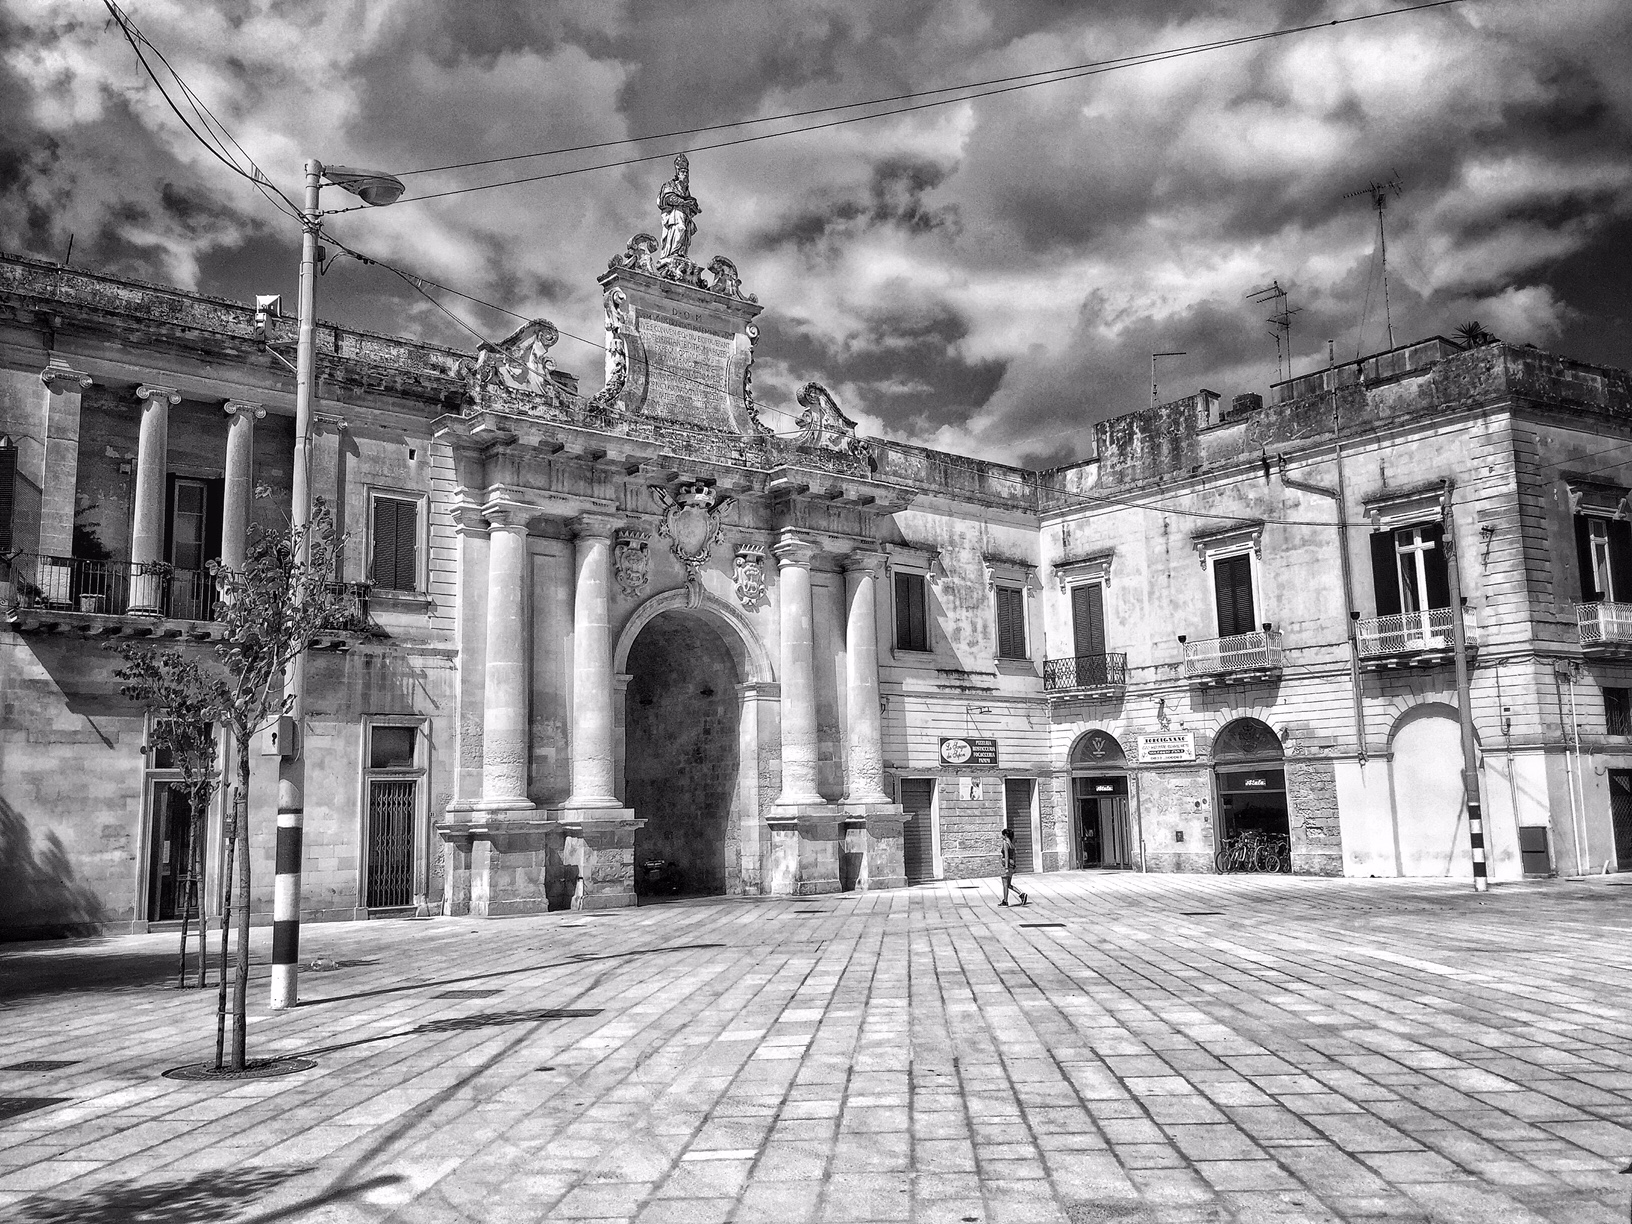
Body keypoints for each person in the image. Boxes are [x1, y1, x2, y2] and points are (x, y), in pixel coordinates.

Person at [999, 827, 1028, 907]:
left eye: (1002, 835)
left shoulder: (1005, 843)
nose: (1001, 837)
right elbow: (1014, 855)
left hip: (1006, 865)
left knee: (1005, 885)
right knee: (1008, 884)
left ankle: (1005, 901)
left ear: (1005, 835)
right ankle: (1021, 894)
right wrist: (1013, 865)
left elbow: (1007, 856)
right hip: (1012, 865)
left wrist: (1006, 868)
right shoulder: (1012, 845)